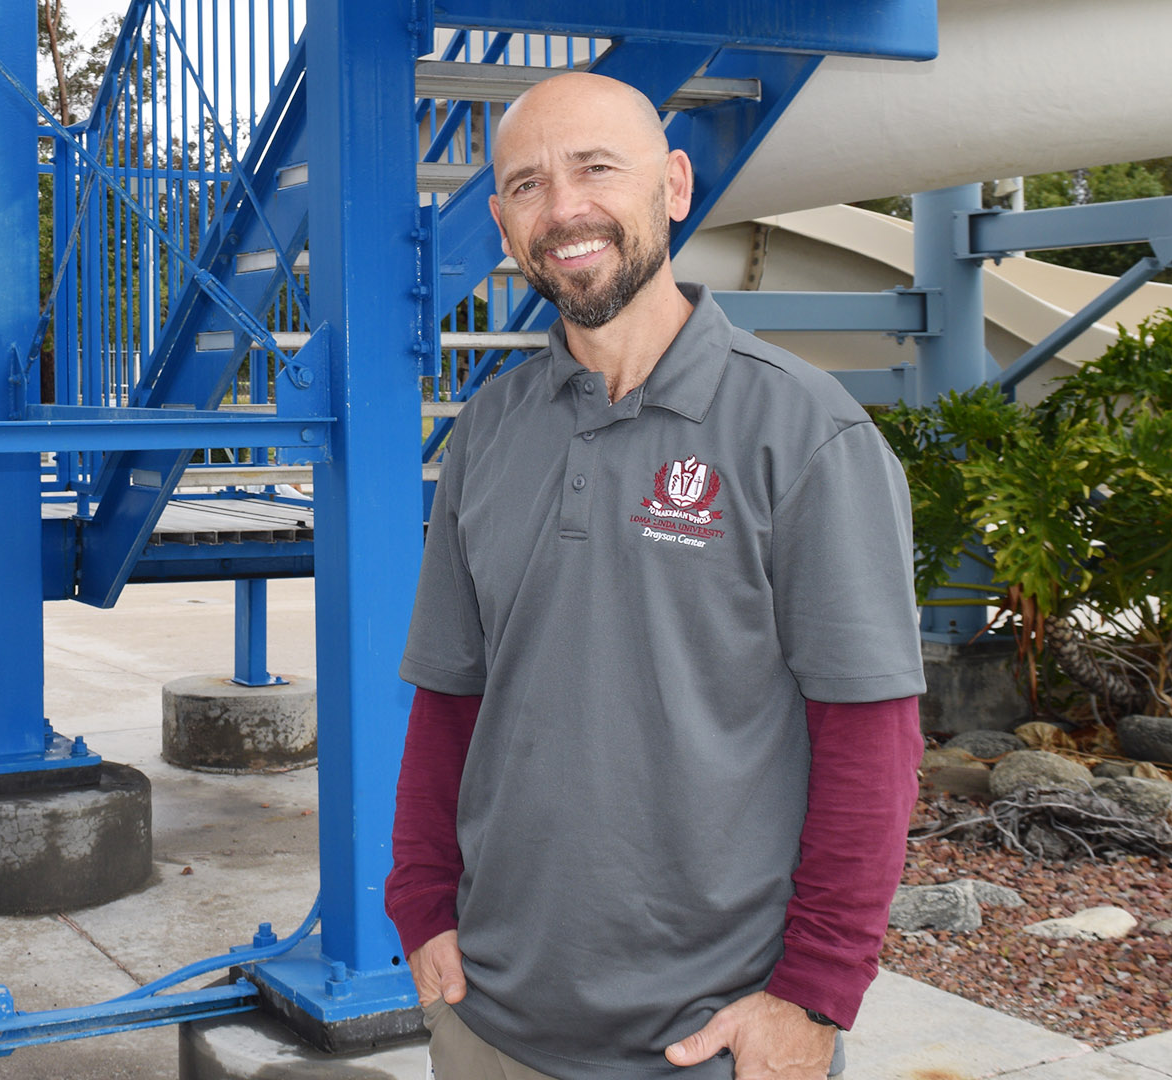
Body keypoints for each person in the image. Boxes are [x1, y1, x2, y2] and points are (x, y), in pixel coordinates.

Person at [387, 71, 926, 1080]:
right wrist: (421, 904)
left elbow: (871, 743)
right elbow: (451, 698)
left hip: (710, 1044)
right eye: (528, 185)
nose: (564, 209)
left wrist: (814, 994)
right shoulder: (485, 435)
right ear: (503, 221)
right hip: (488, 1024)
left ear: (673, 186)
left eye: (597, 169)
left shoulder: (806, 436)